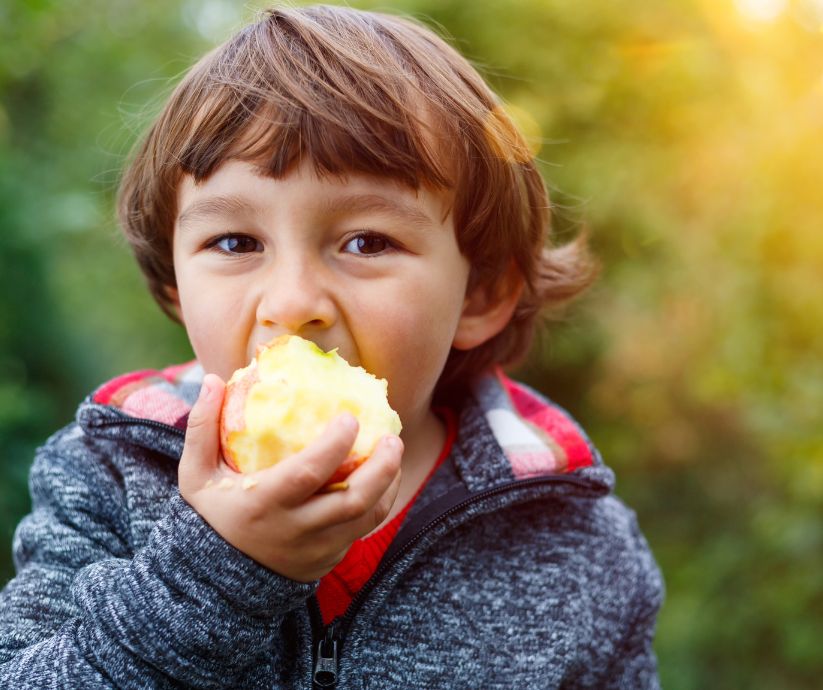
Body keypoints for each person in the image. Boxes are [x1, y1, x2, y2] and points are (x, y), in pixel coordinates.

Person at [0, 5, 663, 688]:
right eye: (235, 243)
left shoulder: (578, 544)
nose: (291, 303)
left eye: (366, 242)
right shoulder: (108, 475)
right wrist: (218, 570)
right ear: (174, 284)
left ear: (479, 295)